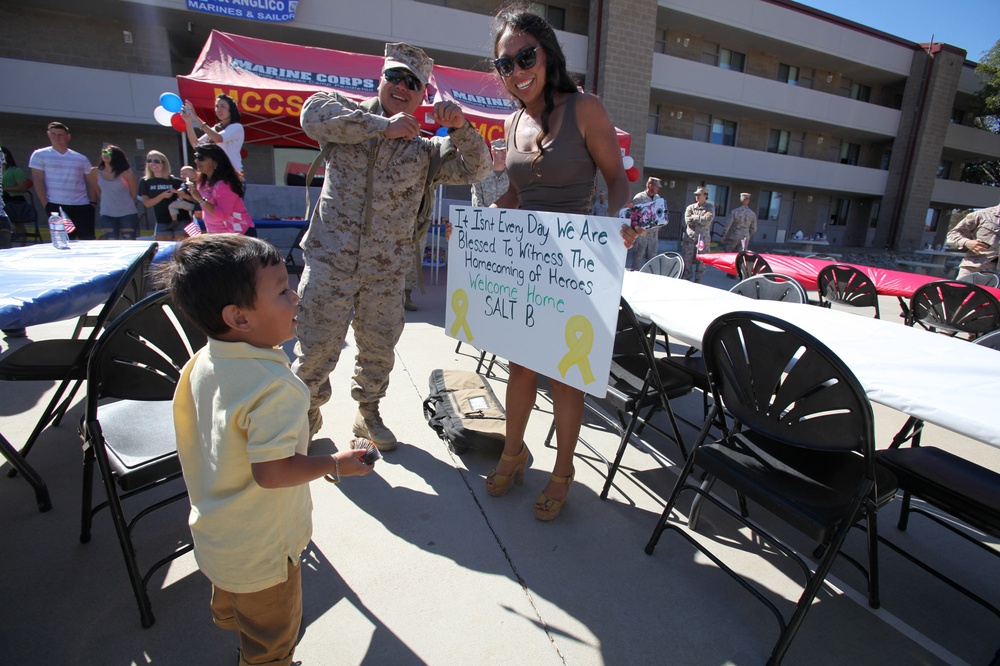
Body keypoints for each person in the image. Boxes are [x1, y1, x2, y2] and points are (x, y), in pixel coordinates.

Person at [162, 233, 375, 666]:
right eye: (281, 291)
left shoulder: (205, 360)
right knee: (273, 643)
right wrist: (335, 464)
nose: (295, 297)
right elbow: (272, 472)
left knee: (238, 610)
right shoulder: (276, 387)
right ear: (239, 317)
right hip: (264, 550)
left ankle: (244, 639)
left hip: (218, 536)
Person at [292, 42, 491, 451]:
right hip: (331, 261)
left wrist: (461, 128)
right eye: (394, 77)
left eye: (412, 82)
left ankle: (368, 414)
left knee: (378, 349)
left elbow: (479, 168)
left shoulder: (425, 151)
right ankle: (303, 415)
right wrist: (379, 126)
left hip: (385, 272)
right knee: (314, 348)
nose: (402, 86)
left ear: (422, 96)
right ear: (381, 79)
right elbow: (311, 115)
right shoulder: (346, 115)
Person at [486, 8, 637, 521]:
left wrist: (617, 226)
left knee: (566, 375)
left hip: (576, 261)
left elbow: (617, 180)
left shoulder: (586, 108)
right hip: (524, 262)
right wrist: (486, 219)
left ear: (547, 53)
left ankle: (563, 469)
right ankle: (514, 451)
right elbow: (515, 190)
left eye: (525, 56)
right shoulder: (511, 121)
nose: (516, 69)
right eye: (505, 63)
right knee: (520, 365)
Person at [29, 121, 97, 239]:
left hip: (82, 205)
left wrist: (93, 203)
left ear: (68, 137)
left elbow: (91, 182)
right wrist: (46, 205)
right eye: (53, 134)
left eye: (60, 134)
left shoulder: (81, 158)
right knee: (63, 241)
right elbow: (38, 181)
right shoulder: (39, 155)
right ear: (48, 135)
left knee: (87, 240)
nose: (57, 137)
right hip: (56, 205)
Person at [187, 144, 254, 236]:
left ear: (215, 161)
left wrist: (199, 199)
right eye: (196, 157)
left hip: (238, 235)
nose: (196, 161)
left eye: (201, 158)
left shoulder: (225, 184)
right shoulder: (201, 181)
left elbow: (222, 215)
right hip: (215, 234)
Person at [182, 94, 245, 174]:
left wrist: (196, 118)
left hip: (232, 174)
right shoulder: (215, 129)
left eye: (223, 106)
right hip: (216, 173)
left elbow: (218, 138)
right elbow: (196, 144)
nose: (219, 110)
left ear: (231, 110)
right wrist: (188, 121)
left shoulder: (236, 127)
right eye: (217, 106)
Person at [138, 150, 186, 241]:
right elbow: (147, 204)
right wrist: (162, 196)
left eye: (156, 161)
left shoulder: (176, 181)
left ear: (164, 163)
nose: (152, 163)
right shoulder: (145, 181)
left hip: (182, 220)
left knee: (184, 250)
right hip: (162, 221)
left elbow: (188, 199)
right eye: (149, 161)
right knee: (162, 250)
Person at [93, 145, 139, 240]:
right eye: (104, 152)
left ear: (117, 156)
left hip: (127, 214)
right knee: (111, 243)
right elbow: (98, 191)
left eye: (110, 153)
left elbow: (134, 195)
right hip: (107, 214)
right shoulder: (95, 172)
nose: (106, 154)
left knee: (129, 242)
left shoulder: (127, 174)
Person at [946, 201, 1000, 278]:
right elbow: (952, 234)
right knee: (962, 290)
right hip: (974, 270)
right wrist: (966, 242)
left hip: (998, 275)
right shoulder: (982, 215)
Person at [681, 185, 715, 282]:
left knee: (701, 262)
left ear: (705, 195)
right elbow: (688, 220)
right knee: (687, 261)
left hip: (703, 240)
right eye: (696, 194)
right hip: (690, 239)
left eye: (699, 194)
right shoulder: (690, 208)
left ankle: (698, 281)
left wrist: (695, 218)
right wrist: (701, 218)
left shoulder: (710, 207)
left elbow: (707, 220)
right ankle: (686, 280)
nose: (696, 196)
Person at [629, 177, 664, 270]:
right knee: (638, 257)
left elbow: (659, 213)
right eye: (657, 186)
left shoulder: (658, 198)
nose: (659, 189)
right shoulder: (639, 197)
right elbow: (633, 215)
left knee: (652, 258)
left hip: (653, 234)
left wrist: (660, 224)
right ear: (650, 185)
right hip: (642, 233)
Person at [720, 192, 758, 279]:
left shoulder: (735, 212)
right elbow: (754, 228)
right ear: (748, 201)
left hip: (734, 235)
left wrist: (724, 234)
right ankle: (739, 272)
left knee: (730, 253)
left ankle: (730, 271)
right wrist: (748, 235)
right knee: (741, 254)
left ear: (741, 200)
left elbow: (728, 224)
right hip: (745, 236)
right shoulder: (752, 214)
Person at [1, 146, 33, 244]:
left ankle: (22, 245)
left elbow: (22, 187)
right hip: (2, 200)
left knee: (18, 225)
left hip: (14, 199)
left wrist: (3, 189)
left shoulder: (15, 171)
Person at [470, 138, 509, 208]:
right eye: (501, 151)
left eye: (506, 151)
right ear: (493, 152)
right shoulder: (480, 175)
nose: (504, 154)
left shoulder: (512, 176)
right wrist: (488, 215)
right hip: (485, 217)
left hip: (507, 217)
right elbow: (477, 202)